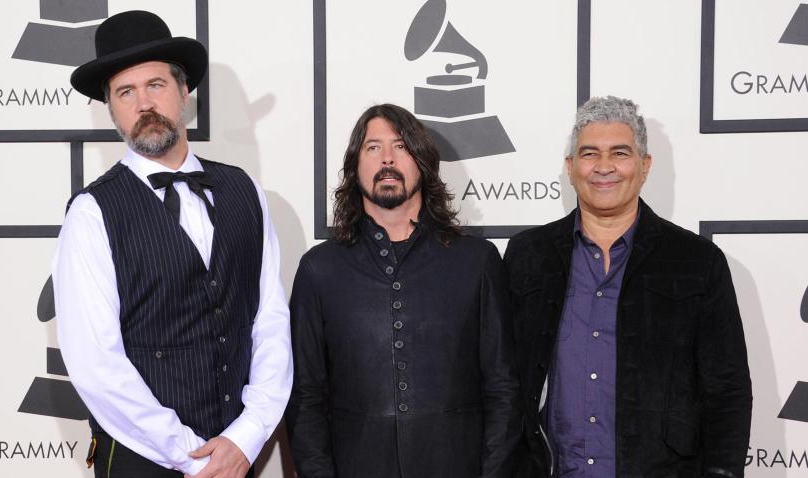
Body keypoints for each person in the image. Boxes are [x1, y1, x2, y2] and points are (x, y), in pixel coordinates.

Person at [53, 10, 292, 478]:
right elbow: (95, 363)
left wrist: (246, 436)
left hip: (237, 455)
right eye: (126, 92)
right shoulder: (92, 213)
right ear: (112, 108)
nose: (144, 103)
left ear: (184, 93)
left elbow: (269, 321)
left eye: (156, 85)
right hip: (142, 460)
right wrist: (190, 456)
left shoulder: (245, 190)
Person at [504, 96, 752, 477]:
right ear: (571, 168)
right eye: (590, 154)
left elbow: (728, 391)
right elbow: (502, 382)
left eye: (620, 153)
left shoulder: (697, 262)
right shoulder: (526, 257)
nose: (604, 167)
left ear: (644, 165)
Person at [285, 103, 521, 477]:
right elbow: (305, 399)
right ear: (354, 166)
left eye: (401, 146)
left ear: (423, 163)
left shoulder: (477, 261)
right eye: (373, 147)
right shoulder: (320, 270)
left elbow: (503, 390)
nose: (388, 159)